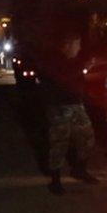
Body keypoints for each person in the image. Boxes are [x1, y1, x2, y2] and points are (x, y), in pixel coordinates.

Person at [39, 31, 98, 195]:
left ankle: (80, 170)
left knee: (87, 138)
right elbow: (63, 77)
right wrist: (83, 68)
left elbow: (78, 79)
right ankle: (55, 180)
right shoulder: (54, 60)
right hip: (59, 107)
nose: (79, 47)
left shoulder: (75, 60)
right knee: (59, 142)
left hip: (76, 105)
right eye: (76, 44)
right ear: (67, 45)